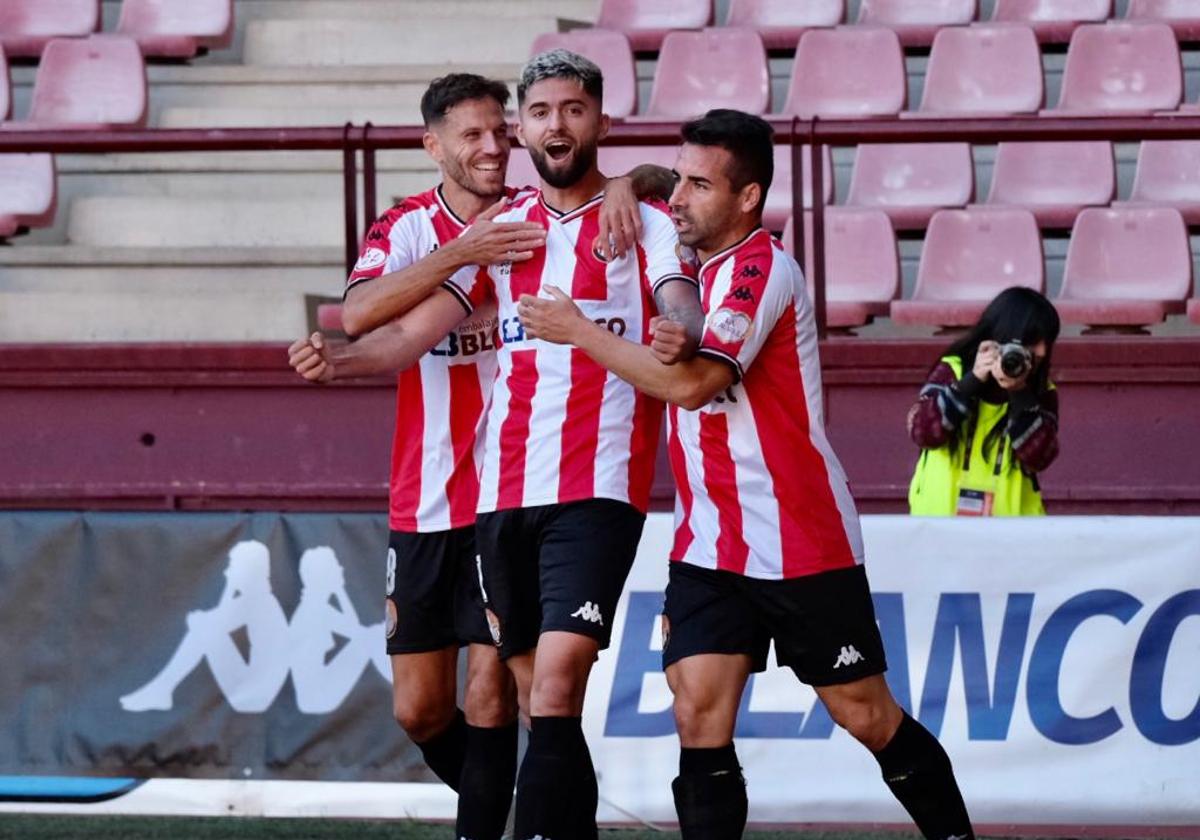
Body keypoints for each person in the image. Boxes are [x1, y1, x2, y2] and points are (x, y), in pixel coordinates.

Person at [518, 109, 976, 840]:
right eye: (684, 179)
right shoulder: (692, 266)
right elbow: (653, 184)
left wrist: (577, 332)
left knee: (865, 715)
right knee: (697, 710)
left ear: (748, 198)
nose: (682, 199)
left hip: (799, 536)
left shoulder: (761, 266)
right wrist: (633, 183)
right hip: (708, 544)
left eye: (702, 186)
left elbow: (694, 386)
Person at [287, 70, 676, 839]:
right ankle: (548, 810)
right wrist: (342, 357)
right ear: (434, 147)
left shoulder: (537, 221)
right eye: (474, 134)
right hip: (426, 494)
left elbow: (629, 184)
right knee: (421, 708)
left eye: (502, 129)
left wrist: (633, 178)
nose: (494, 144)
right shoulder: (431, 231)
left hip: (518, 487)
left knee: (510, 695)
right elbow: (368, 318)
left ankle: (514, 824)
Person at [412, 49, 703, 837]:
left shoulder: (641, 219)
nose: (557, 125)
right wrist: (341, 353)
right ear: (521, 128)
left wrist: (683, 325)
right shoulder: (500, 230)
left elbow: (681, 294)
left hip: (598, 486)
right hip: (501, 492)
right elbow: (417, 324)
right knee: (536, 698)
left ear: (600, 121)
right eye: (540, 113)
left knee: (556, 686)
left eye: (574, 110)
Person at [906, 286, 1061, 516]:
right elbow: (924, 433)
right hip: (939, 525)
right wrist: (971, 381)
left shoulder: (1041, 391)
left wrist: (1018, 391)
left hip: (1013, 533)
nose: (1041, 350)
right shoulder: (955, 370)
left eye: (1046, 341)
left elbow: (1040, 458)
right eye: (1033, 340)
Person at [120, 541, 290, 714]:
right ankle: (161, 689)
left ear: (249, 572)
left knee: (204, 628)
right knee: (205, 626)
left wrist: (231, 586)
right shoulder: (258, 599)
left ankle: (161, 689)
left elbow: (212, 621)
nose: (226, 572)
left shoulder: (258, 601)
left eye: (232, 566)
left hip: (253, 695)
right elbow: (217, 618)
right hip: (254, 691)